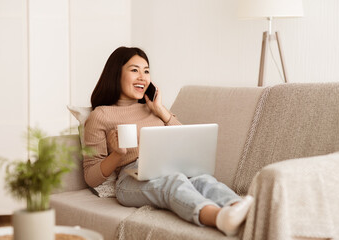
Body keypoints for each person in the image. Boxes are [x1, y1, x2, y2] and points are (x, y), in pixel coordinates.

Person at [83, 46, 254, 236]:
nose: (143, 77)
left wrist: (161, 111)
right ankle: (220, 218)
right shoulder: (100, 115)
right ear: (116, 74)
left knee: (203, 180)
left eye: (146, 71)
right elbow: (91, 176)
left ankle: (243, 210)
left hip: (171, 167)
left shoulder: (153, 109)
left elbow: (187, 141)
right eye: (134, 70)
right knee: (174, 182)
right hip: (130, 179)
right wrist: (116, 154)